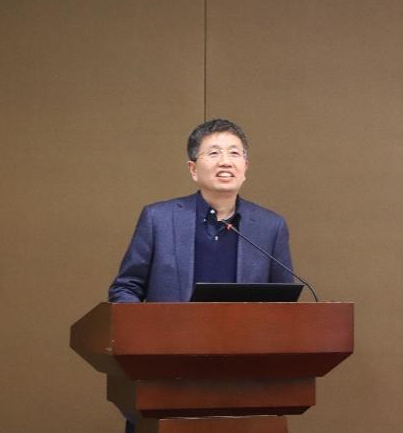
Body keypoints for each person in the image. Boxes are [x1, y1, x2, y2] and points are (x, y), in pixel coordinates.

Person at [109, 118, 295, 303]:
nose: (225, 162)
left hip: (244, 324)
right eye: (214, 153)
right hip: (171, 324)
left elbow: (284, 301)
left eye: (234, 153)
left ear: (245, 167)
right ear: (193, 169)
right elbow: (126, 288)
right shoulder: (159, 219)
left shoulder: (270, 227)